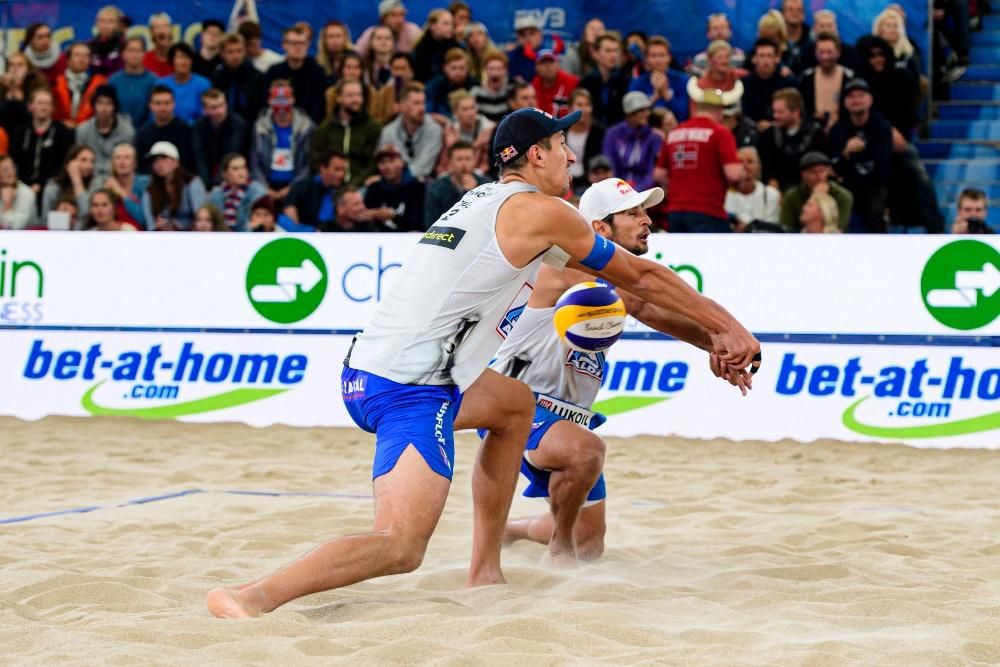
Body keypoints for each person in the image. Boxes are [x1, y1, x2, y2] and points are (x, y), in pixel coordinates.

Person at [206, 106, 760, 619]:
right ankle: (251, 597)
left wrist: (710, 340)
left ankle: (484, 571)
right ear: (534, 155)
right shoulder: (540, 213)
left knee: (514, 405)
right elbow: (641, 277)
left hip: (388, 367)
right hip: (407, 384)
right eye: (562, 144)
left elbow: (634, 298)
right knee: (401, 547)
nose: (571, 155)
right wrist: (728, 328)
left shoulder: (489, 201)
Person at [496, 176, 750, 562]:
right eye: (632, 213)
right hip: (519, 405)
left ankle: (511, 531)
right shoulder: (565, 264)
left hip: (570, 415)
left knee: (592, 544)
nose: (646, 220)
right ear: (599, 228)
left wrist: (715, 345)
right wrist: (722, 333)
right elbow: (646, 295)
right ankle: (558, 547)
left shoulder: (608, 280)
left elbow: (651, 311)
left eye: (645, 211)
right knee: (585, 455)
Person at [656, 85, 744, 233]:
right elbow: (733, 174)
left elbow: (659, 174)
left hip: (675, 211)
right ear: (719, 110)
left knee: (682, 256)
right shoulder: (720, 132)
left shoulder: (674, 133)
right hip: (709, 210)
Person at [828, 79, 892, 233]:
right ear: (845, 102)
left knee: (876, 211)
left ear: (870, 99)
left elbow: (884, 168)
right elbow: (835, 168)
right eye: (851, 96)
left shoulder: (882, 127)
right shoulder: (837, 130)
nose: (856, 100)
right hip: (848, 186)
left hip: (874, 186)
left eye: (861, 95)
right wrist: (846, 153)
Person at [251, 81, 315, 203]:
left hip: (296, 184)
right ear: (269, 101)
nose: (281, 104)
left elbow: (308, 164)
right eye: (277, 99)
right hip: (267, 184)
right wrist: (265, 188)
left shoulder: (306, 127)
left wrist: (292, 188)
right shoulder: (260, 127)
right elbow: (255, 162)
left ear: (293, 99)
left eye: (285, 99)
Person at [310, 79, 382, 186]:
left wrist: (356, 184)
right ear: (339, 98)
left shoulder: (372, 127)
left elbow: (373, 163)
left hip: (361, 185)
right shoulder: (326, 127)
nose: (356, 100)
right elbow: (317, 158)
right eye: (350, 95)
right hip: (330, 184)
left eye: (359, 95)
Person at [757, 88, 828, 193]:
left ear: (796, 111)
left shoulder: (816, 134)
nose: (775, 116)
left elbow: (821, 166)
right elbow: (767, 167)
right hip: (777, 191)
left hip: (808, 189)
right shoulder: (769, 134)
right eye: (774, 111)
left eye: (780, 112)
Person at [10, 88, 75, 198]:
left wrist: (41, 184)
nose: (44, 107)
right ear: (30, 107)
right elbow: (14, 162)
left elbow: (63, 165)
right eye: (40, 103)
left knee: (51, 190)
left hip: (51, 185)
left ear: (53, 108)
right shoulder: (20, 132)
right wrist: (23, 185)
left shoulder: (63, 133)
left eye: (48, 104)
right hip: (22, 185)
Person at [379, 82, 443, 182]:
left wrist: (401, 177)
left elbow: (424, 166)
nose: (422, 108)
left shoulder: (434, 130)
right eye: (416, 103)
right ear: (402, 106)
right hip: (392, 182)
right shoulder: (388, 132)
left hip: (422, 183)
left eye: (423, 103)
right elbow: (385, 162)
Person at [263, 26, 326, 123]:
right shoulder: (274, 72)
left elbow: (319, 106)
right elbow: (265, 105)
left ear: (308, 45)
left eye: (302, 43)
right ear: (284, 45)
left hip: (309, 126)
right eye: (293, 43)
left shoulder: (317, 72)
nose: (298, 47)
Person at [779, 151, 853, 232]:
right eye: (813, 172)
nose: (819, 176)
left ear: (828, 171)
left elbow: (839, 229)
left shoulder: (844, 196)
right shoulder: (792, 196)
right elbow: (784, 228)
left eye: (822, 171)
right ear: (803, 174)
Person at [602, 92, 662, 192]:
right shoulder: (613, 134)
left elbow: (651, 172)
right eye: (642, 111)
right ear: (630, 113)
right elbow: (610, 166)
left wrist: (635, 192)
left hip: (644, 192)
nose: (647, 113)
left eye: (647, 110)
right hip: (617, 190)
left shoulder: (654, 137)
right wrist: (621, 191)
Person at [141, 140, 206, 230]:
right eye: (155, 160)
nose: (159, 163)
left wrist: (177, 226)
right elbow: (150, 225)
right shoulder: (149, 191)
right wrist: (157, 227)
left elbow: (201, 218)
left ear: (176, 162)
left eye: (163, 158)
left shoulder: (192, 183)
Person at [423, 140, 489, 228]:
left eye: (468, 159)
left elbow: (490, 218)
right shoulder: (436, 188)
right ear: (450, 162)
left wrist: (476, 193)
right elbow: (430, 223)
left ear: (474, 161)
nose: (464, 163)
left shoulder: (486, 185)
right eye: (459, 159)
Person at [74, 85, 135, 181]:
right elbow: (80, 161)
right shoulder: (82, 130)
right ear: (94, 105)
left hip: (118, 179)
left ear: (115, 106)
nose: (104, 108)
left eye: (108, 103)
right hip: (88, 178)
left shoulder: (127, 132)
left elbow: (129, 163)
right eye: (100, 103)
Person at [133, 85, 195, 174]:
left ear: (174, 104)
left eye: (166, 103)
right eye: (158, 103)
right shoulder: (143, 134)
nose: (162, 107)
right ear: (150, 105)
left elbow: (189, 164)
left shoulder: (186, 131)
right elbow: (141, 167)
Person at [363, 144, 426, 232]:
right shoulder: (374, 188)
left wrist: (395, 217)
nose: (387, 167)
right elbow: (364, 217)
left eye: (391, 161)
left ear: (402, 162)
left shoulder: (417, 187)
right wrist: (369, 216)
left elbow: (420, 222)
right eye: (382, 162)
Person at [192, 88, 247, 188]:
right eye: (213, 107)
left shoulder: (238, 124)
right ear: (205, 110)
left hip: (231, 175)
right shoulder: (199, 127)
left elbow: (230, 155)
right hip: (207, 176)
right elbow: (199, 158)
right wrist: (205, 185)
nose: (220, 111)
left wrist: (216, 186)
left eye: (221, 105)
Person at [800, 33, 854, 130]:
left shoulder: (850, 78)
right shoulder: (806, 78)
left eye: (829, 52)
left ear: (838, 52)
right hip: (813, 130)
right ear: (815, 53)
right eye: (821, 52)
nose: (825, 57)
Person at [628, 36, 688, 123]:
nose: (658, 59)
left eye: (662, 55)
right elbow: (633, 115)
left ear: (669, 57)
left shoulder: (683, 80)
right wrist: (654, 97)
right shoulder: (638, 83)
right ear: (647, 59)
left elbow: (683, 114)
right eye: (653, 56)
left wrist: (665, 94)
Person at [740, 39, 797, 127]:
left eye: (769, 56)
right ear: (754, 59)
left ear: (777, 58)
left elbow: (795, 112)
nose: (766, 60)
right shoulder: (744, 84)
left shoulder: (789, 83)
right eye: (761, 56)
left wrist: (772, 125)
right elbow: (744, 114)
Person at [283, 151, 347, 229]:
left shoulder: (345, 191)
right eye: (337, 169)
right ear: (323, 168)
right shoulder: (303, 187)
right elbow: (289, 211)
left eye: (343, 170)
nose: (341, 174)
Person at [210, 33, 263, 128]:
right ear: (222, 54)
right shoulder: (217, 76)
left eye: (239, 51)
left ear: (245, 52)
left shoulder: (257, 76)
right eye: (230, 52)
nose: (236, 56)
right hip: (223, 126)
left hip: (251, 126)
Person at [53, 42, 109, 129]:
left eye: (86, 56)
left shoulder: (99, 83)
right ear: (68, 60)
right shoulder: (55, 83)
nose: (82, 59)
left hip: (90, 130)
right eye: (77, 55)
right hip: (61, 129)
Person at [206, 152, 267, 231]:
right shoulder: (216, 194)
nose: (241, 173)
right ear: (224, 174)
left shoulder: (258, 191)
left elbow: (257, 224)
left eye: (244, 167)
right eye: (235, 169)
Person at [724, 146, 781, 230]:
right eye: (739, 162)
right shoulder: (723, 194)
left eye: (749, 161)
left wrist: (748, 228)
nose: (744, 166)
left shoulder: (771, 194)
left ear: (759, 167)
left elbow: (771, 229)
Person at [580, 34, 630, 127]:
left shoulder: (625, 80)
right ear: (595, 53)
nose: (613, 55)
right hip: (592, 132)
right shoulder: (586, 82)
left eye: (616, 51)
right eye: (608, 51)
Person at [41, 144, 99, 224]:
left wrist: (77, 180)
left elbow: (87, 214)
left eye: (92, 161)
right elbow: (45, 220)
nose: (89, 165)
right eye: (83, 160)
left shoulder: (96, 185)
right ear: (70, 162)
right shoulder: (53, 187)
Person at [109, 37, 158, 128]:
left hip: (146, 133)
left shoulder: (153, 80)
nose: (134, 55)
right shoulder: (114, 81)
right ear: (123, 54)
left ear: (144, 54)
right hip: (119, 133)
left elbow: (155, 112)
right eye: (130, 50)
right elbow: (109, 109)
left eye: (138, 51)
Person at [157, 43, 212, 124]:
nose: (184, 61)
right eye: (180, 57)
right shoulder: (161, 84)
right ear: (172, 60)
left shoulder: (203, 84)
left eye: (187, 57)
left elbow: (207, 116)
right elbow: (155, 116)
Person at [565, 89, 606, 192]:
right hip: (563, 180)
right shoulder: (561, 131)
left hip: (589, 183)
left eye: (588, 105)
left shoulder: (599, 132)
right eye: (579, 104)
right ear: (570, 109)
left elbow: (599, 163)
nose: (584, 109)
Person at [103, 142, 150, 229]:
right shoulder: (107, 184)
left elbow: (142, 219)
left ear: (135, 163)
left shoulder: (146, 183)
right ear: (113, 163)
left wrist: (120, 191)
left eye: (127, 157)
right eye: (118, 158)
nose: (122, 162)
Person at [444, 90, 494, 171]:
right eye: (465, 109)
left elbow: (487, 163)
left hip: (482, 174)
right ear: (455, 112)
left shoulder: (487, 128)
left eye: (472, 108)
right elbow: (447, 160)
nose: (470, 113)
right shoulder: (451, 129)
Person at [355, 0, 422, 57]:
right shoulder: (372, 33)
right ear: (383, 18)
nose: (399, 20)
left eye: (402, 15)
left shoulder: (412, 31)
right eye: (394, 15)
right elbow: (356, 55)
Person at [425, 49, 479, 120]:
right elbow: (428, 112)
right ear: (445, 68)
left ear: (467, 68)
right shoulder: (434, 85)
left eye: (461, 68)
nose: (458, 72)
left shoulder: (474, 84)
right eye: (453, 68)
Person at [412, 9, 459, 83]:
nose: (450, 27)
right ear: (432, 26)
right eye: (446, 24)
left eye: (451, 24)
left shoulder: (457, 47)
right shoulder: (420, 50)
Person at [371, 52, 416, 125]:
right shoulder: (383, 92)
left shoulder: (420, 90)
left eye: (403, 69)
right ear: (391, 71)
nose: (399, 73)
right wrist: (390, 114)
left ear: (411, 71)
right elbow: (376, 121)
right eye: (396, 69)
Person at [532, 50, 578, 118]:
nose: (548, 66)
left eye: (551, 62)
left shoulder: (572, 82)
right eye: (543, 63)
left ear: (558, 64)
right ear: (536, 67)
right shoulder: (533, 86)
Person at [470, 50, 513, 122]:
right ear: (485, 70)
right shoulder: (476, 90)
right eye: (491, 69)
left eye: (499, 69)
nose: (495, 73)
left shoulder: (512, 87)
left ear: (505, 70)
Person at [0, 155, 38, 229]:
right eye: (5, 170)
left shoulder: (27, 193)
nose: (11, 173)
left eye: (12, 167)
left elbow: (16, 227)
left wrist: (8, 206)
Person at [88, 6, 126, 77]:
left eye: (110, 21)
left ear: (117, 25)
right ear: (96, 23)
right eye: (102, 21)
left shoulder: (125, 46)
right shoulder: (88, 45)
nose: (105, 26)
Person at [507, 15, 544, 83]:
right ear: (517, 38)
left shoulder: (547, 56)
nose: (528, 38)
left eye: (532, 34)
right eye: (523, 35)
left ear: (539, 35)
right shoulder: (510, 57)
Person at [316, 20, 354, 87]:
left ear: (345, 38)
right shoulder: (318, 64)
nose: (334, 40)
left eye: (338, 36)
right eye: (330, 36)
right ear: (324, 40)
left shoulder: (355, 59)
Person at [781, 0, 813, 75]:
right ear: (783, 14)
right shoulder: (774, 37)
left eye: (799, 10)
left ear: (804, 15)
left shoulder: (812, 39)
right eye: (790, 9)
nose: (795, 13)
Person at [144, 13, 175, 78]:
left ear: (171, 30)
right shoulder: (144, 60)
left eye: (165, 26)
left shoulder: (181, 60)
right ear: (151, 32)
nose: (161, 31)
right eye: (157, 27)